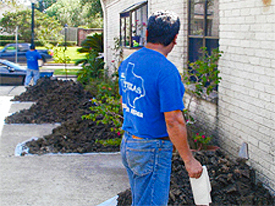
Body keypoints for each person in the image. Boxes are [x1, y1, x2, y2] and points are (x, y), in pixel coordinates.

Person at [118, 11, 203, 206]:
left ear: (147, 33)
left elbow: (124, 99)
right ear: (174, 38)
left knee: (141, 201)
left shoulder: (128, 62)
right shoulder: (166, 70)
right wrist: (189, 160)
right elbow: (173, 120)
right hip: (150, 149)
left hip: (129, 143)